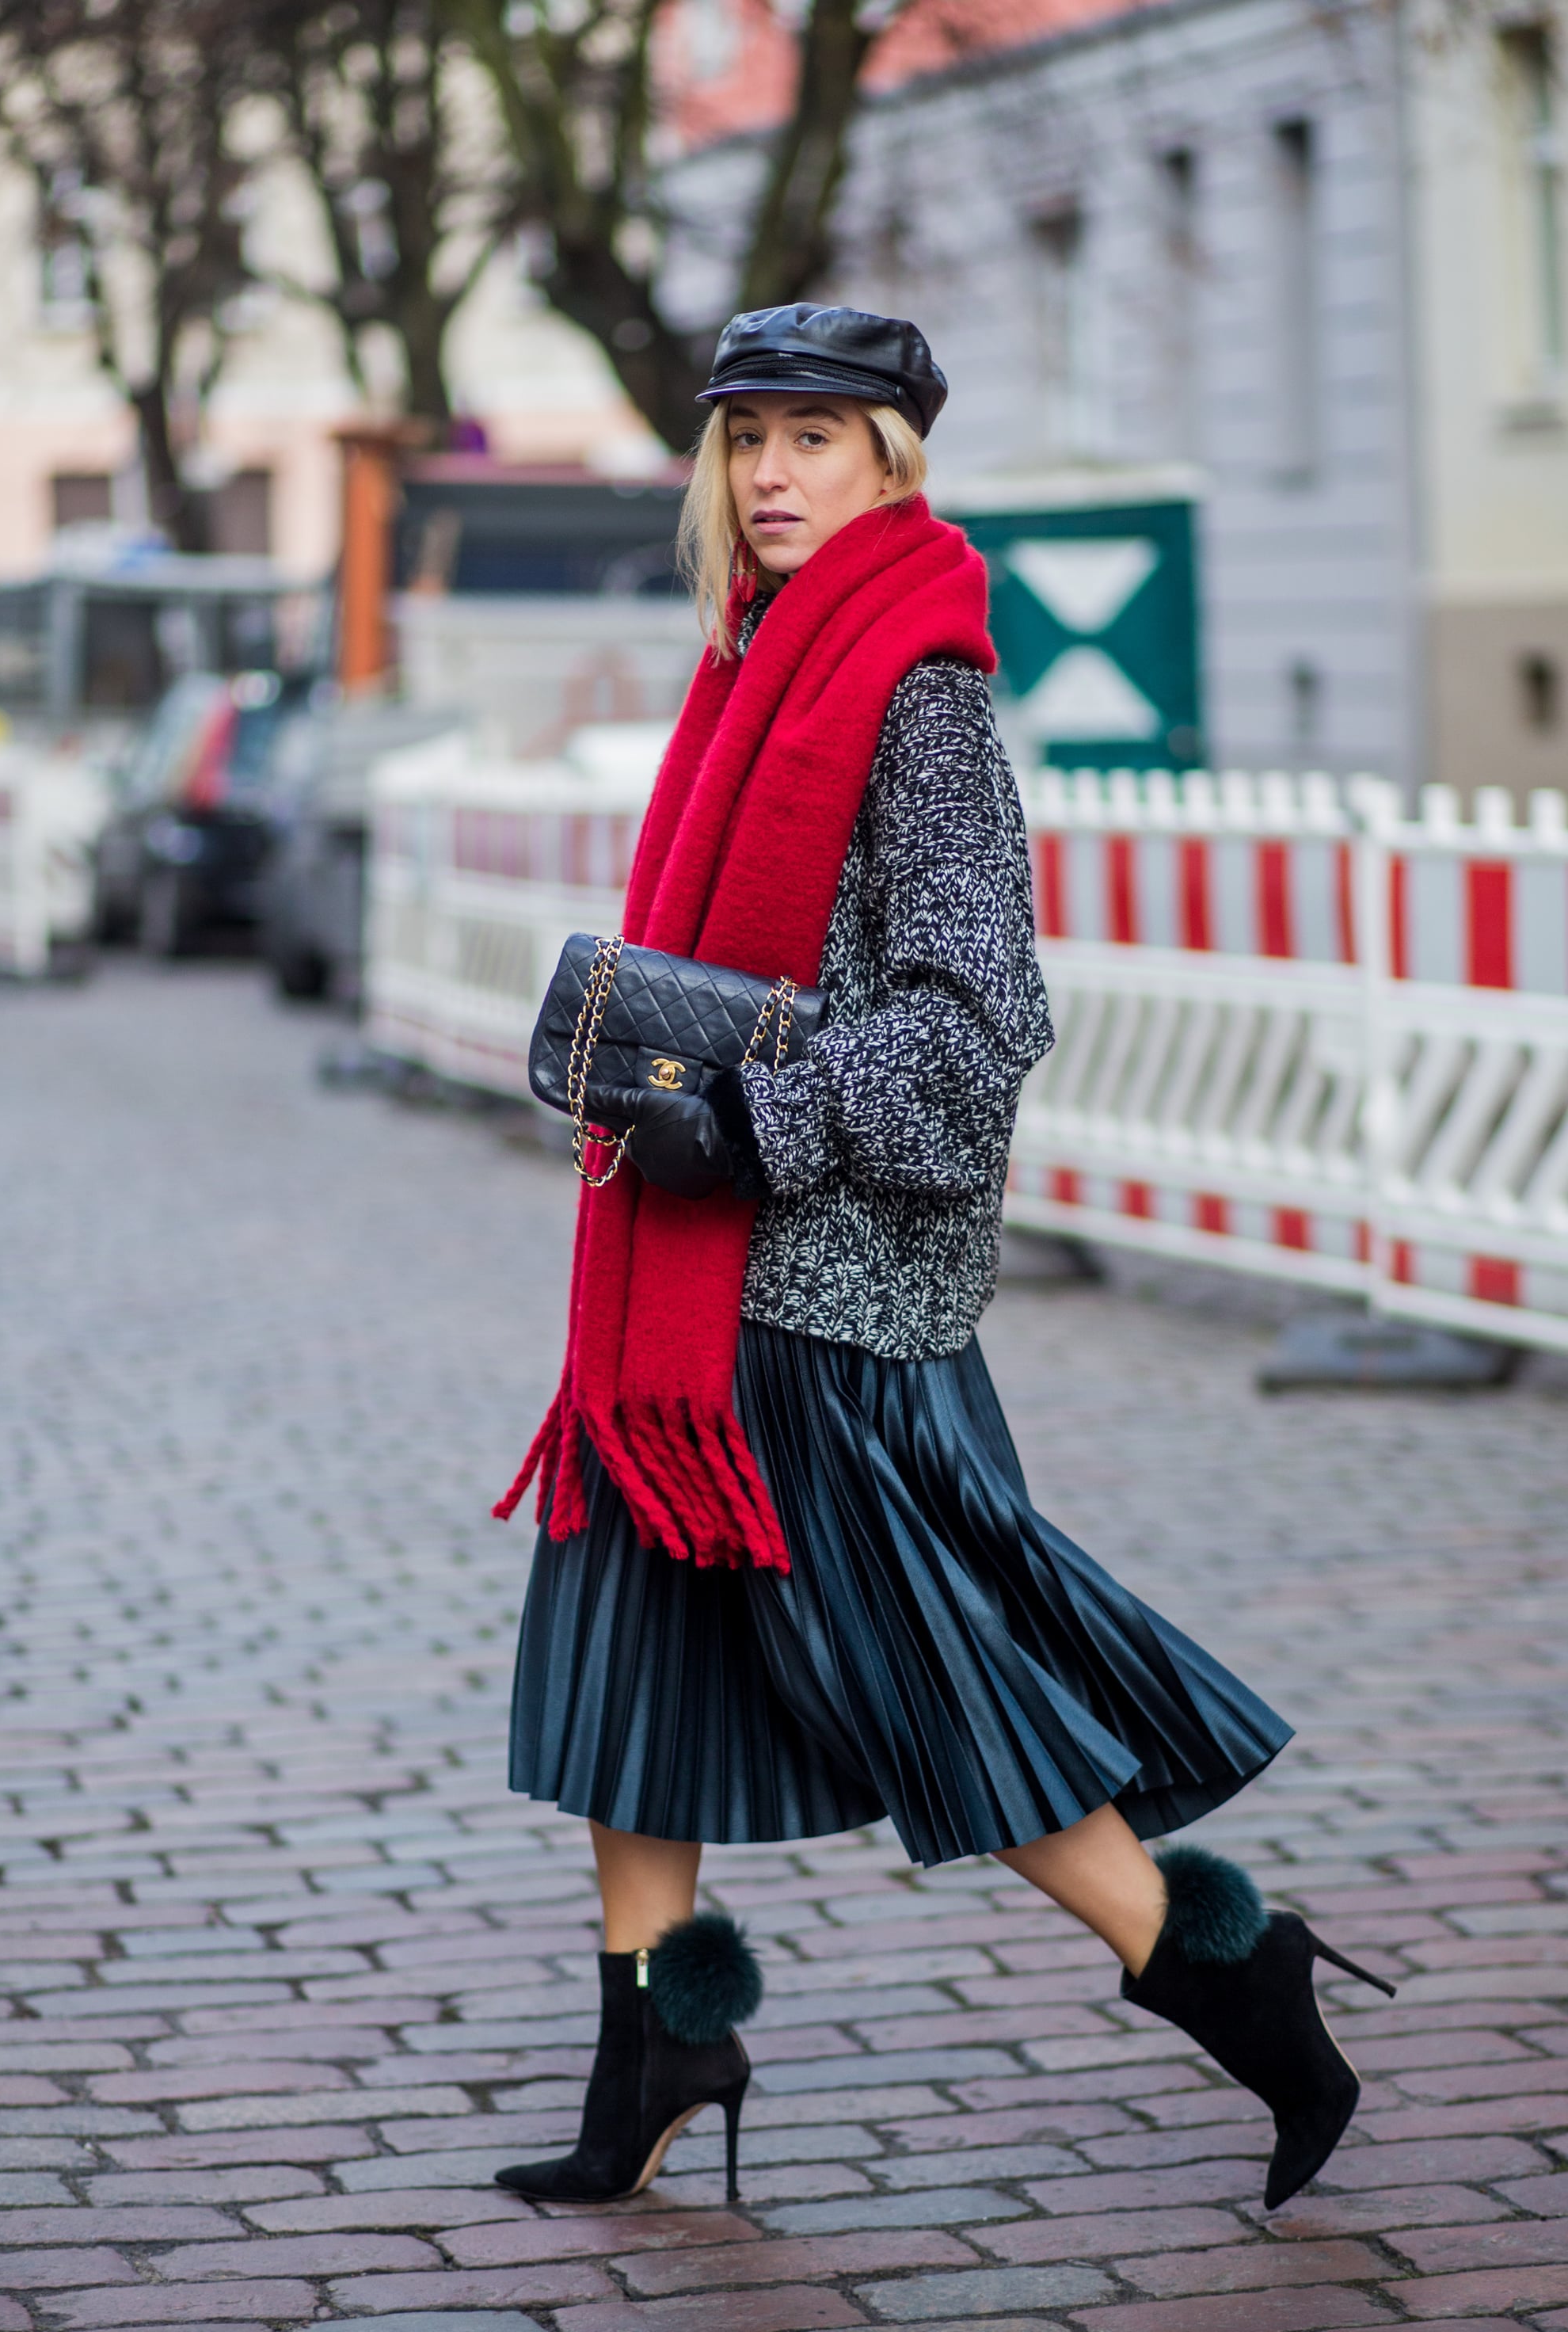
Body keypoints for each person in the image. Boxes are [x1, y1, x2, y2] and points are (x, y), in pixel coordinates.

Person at [493, 303, 1391, 2216]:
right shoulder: (747, 662)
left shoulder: (916, 690)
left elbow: (979, 1017)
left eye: (812, 437)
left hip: (823, 1293)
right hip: (680, 1287)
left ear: (891, 457)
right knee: (630, 1657)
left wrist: (757, 1117)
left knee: (932, 1680)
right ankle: (657, 2045)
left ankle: (1235, 1974)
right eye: (745, 439)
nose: (770, 474)